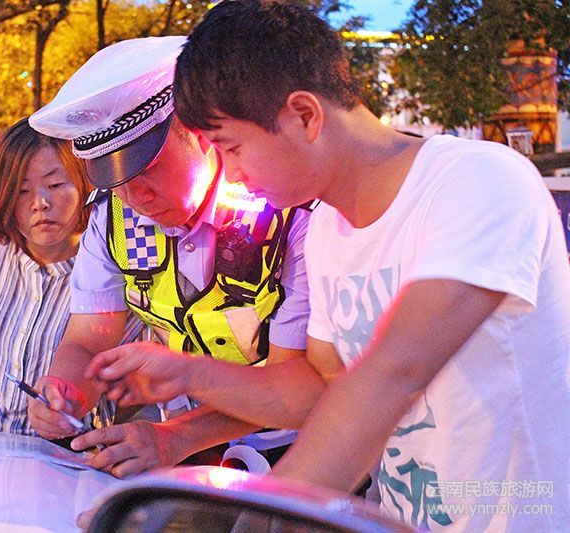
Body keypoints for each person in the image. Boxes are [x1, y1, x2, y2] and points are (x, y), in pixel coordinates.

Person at [86, 1, 570, 530]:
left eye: (232, 148)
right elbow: (320, 390)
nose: (230, 174)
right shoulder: (326, 230)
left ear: (304, 115)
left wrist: (264, 516)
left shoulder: (477, 182)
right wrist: (188, 372)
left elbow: (395, 372)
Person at [27, 36, 325, 477]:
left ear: (199, 136)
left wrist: (176, 436)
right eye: (117, 180)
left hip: (300, 454)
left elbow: (297, 383)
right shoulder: (112, 219)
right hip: (184, 454)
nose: (135, 197)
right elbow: (88, 340)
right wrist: (64, 390)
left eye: (148, 169)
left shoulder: (285, 211)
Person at [0, 118, 143, 434]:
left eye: (56, 185)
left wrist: (70, 404)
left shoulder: (115, 269)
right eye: (22, 190)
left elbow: (131, 385)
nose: (41, 203)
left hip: (64, 448)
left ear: (85, 184)